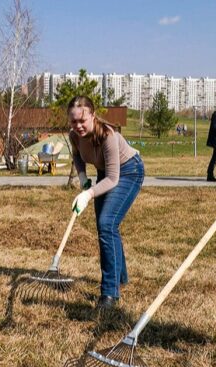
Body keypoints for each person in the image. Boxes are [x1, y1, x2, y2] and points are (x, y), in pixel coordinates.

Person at [68, 96, 144, 312]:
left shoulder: (108, 135)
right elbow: (77, 154)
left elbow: (113, 179)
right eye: (74, 121)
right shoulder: (75, 136)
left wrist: (88, 194)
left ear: (92, 115)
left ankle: (109, 293)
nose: (79, 126)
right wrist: (82, 176)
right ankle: (121, 277)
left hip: (128, 171)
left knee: (106, 223)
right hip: (105, 172)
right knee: (107, 227)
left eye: (83, 120)